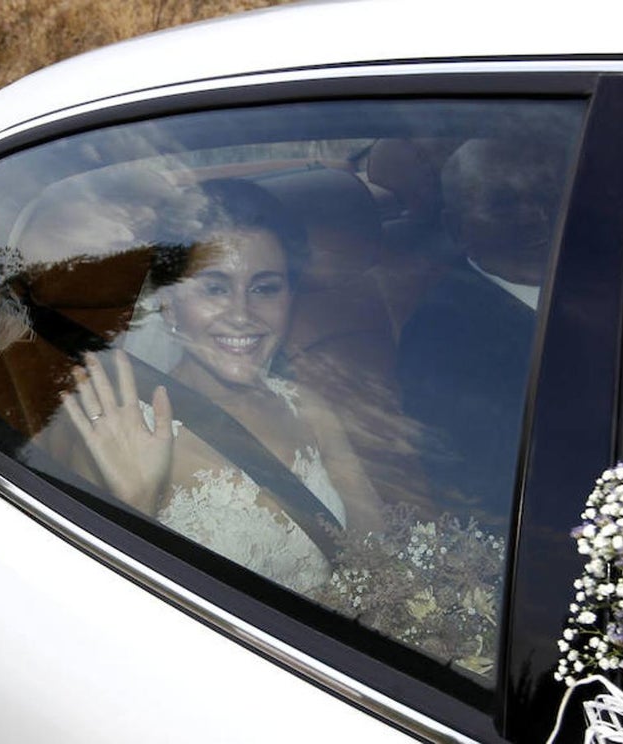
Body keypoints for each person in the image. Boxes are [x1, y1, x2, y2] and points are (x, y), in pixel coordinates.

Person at [59, 180, 384, 593]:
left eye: (265, 288)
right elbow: (91, 613)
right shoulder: (118, 437)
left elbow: (377, 555)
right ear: (168, 303)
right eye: (214, 288)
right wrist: (135, 506)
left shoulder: (310, 409)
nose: (241, 314)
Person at [395, 136, 573, 522]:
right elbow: (487, 484)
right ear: (456, 229)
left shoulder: (601, 280)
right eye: (503, 203)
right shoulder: (440, 337)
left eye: (542, 196)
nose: (534, 216)